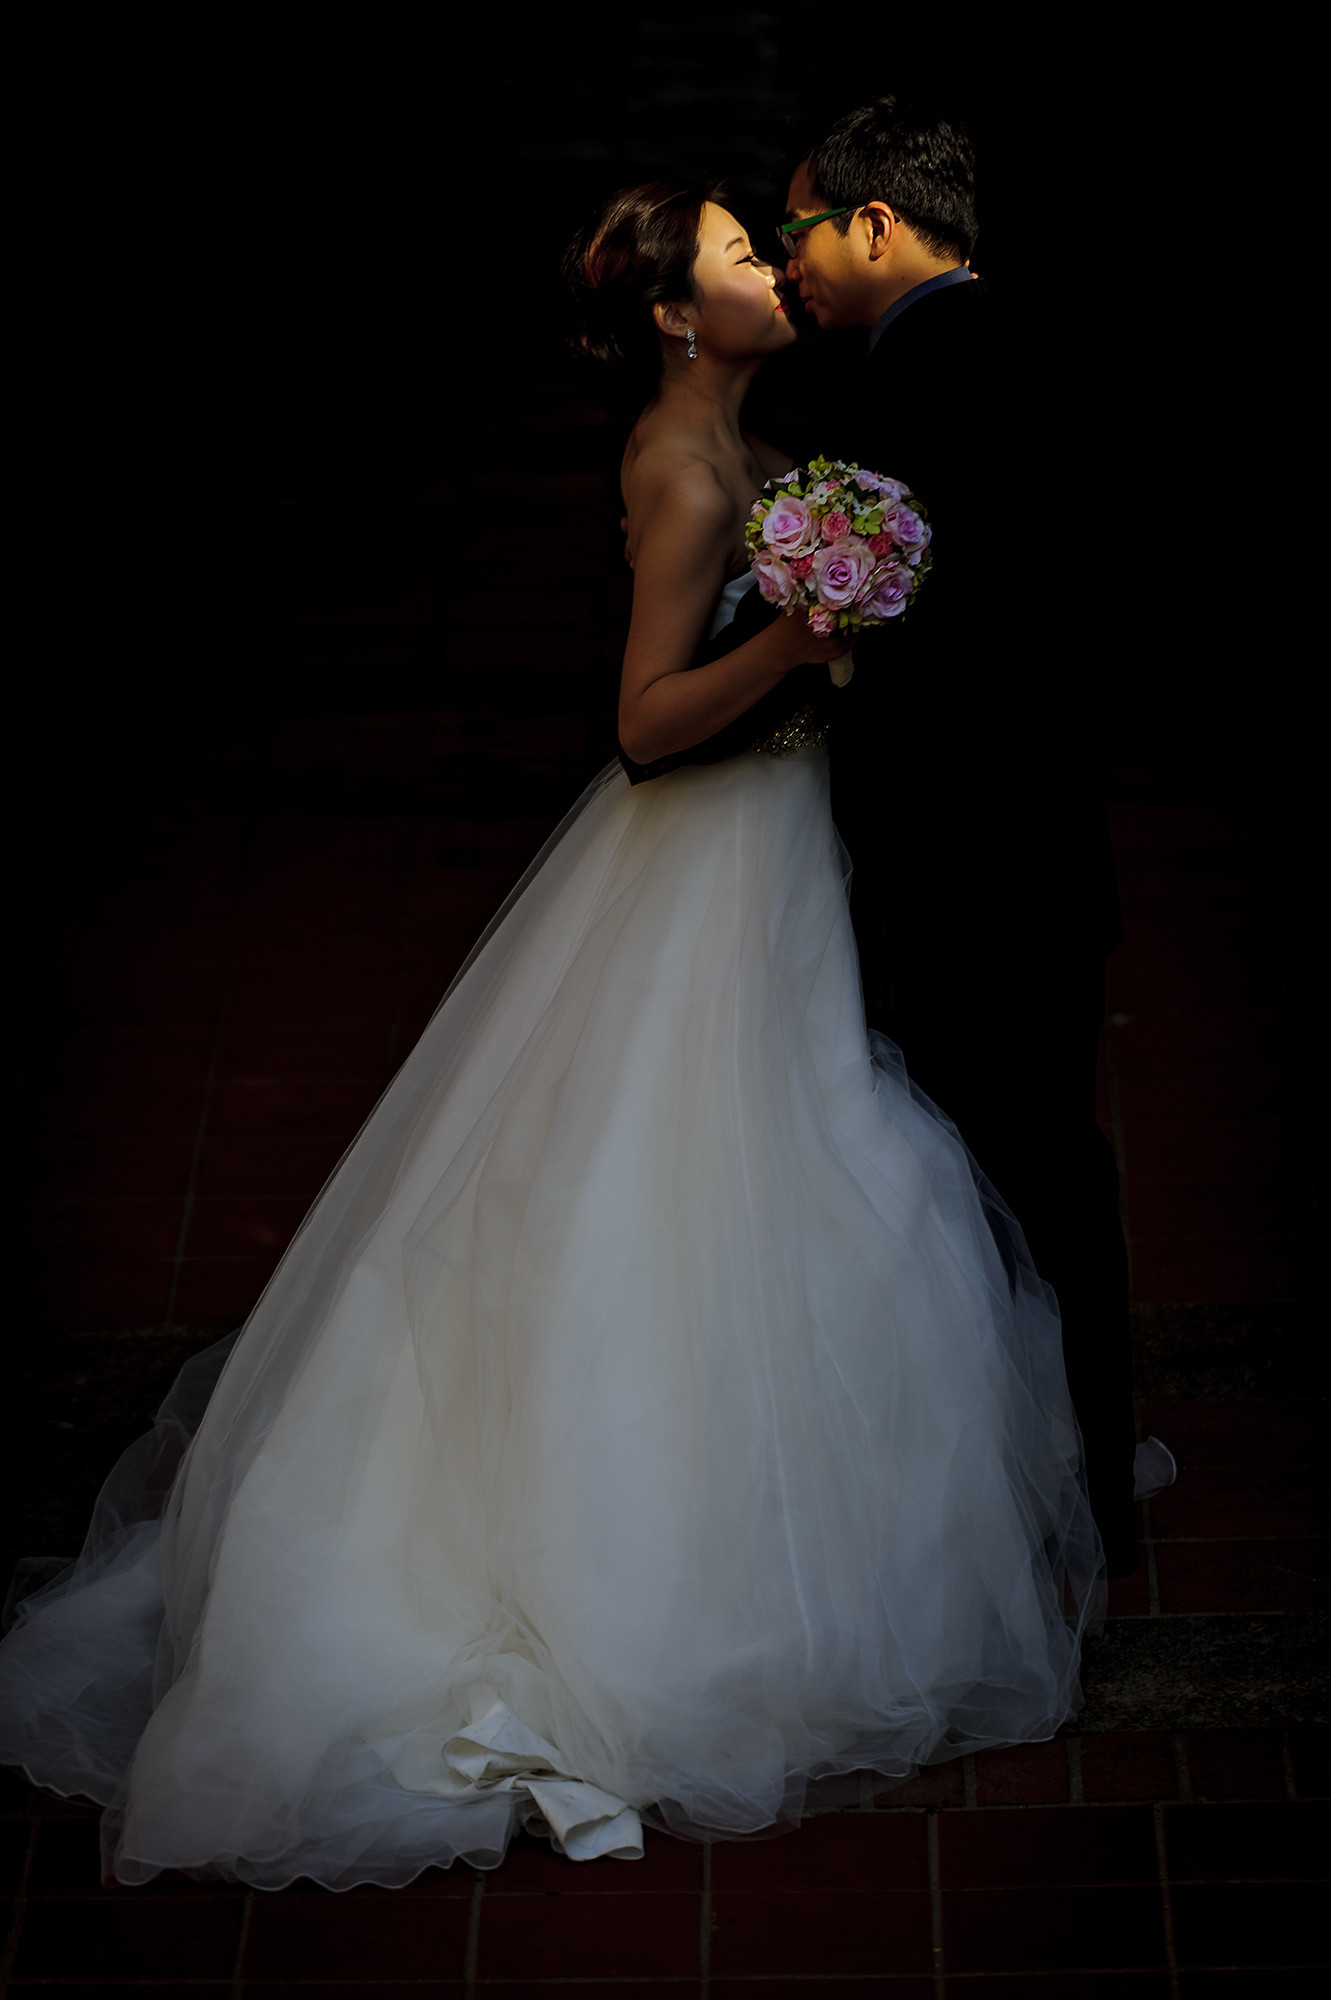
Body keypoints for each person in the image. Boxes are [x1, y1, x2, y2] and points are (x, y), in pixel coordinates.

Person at [0, 182, 1101, 1892]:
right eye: (742, 254)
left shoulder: (744, 442)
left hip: (776, 853)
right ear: (677, 314)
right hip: (704, 853)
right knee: (681, 1184)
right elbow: (650, 726)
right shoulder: (679, 467)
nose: (769, 271)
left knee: (802, 1161)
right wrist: (811, 639)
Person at [779, 98, 1165, 1574]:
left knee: (1003, 1178)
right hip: (1018, 851)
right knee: (1029, 1170)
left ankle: (1054, 1497)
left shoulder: (945, 371)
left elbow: (942, 623)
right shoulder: (979, 355)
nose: (795, 259)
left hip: (973, 862)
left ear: (876, 223)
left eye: (802, 226)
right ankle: (1061, 1470)